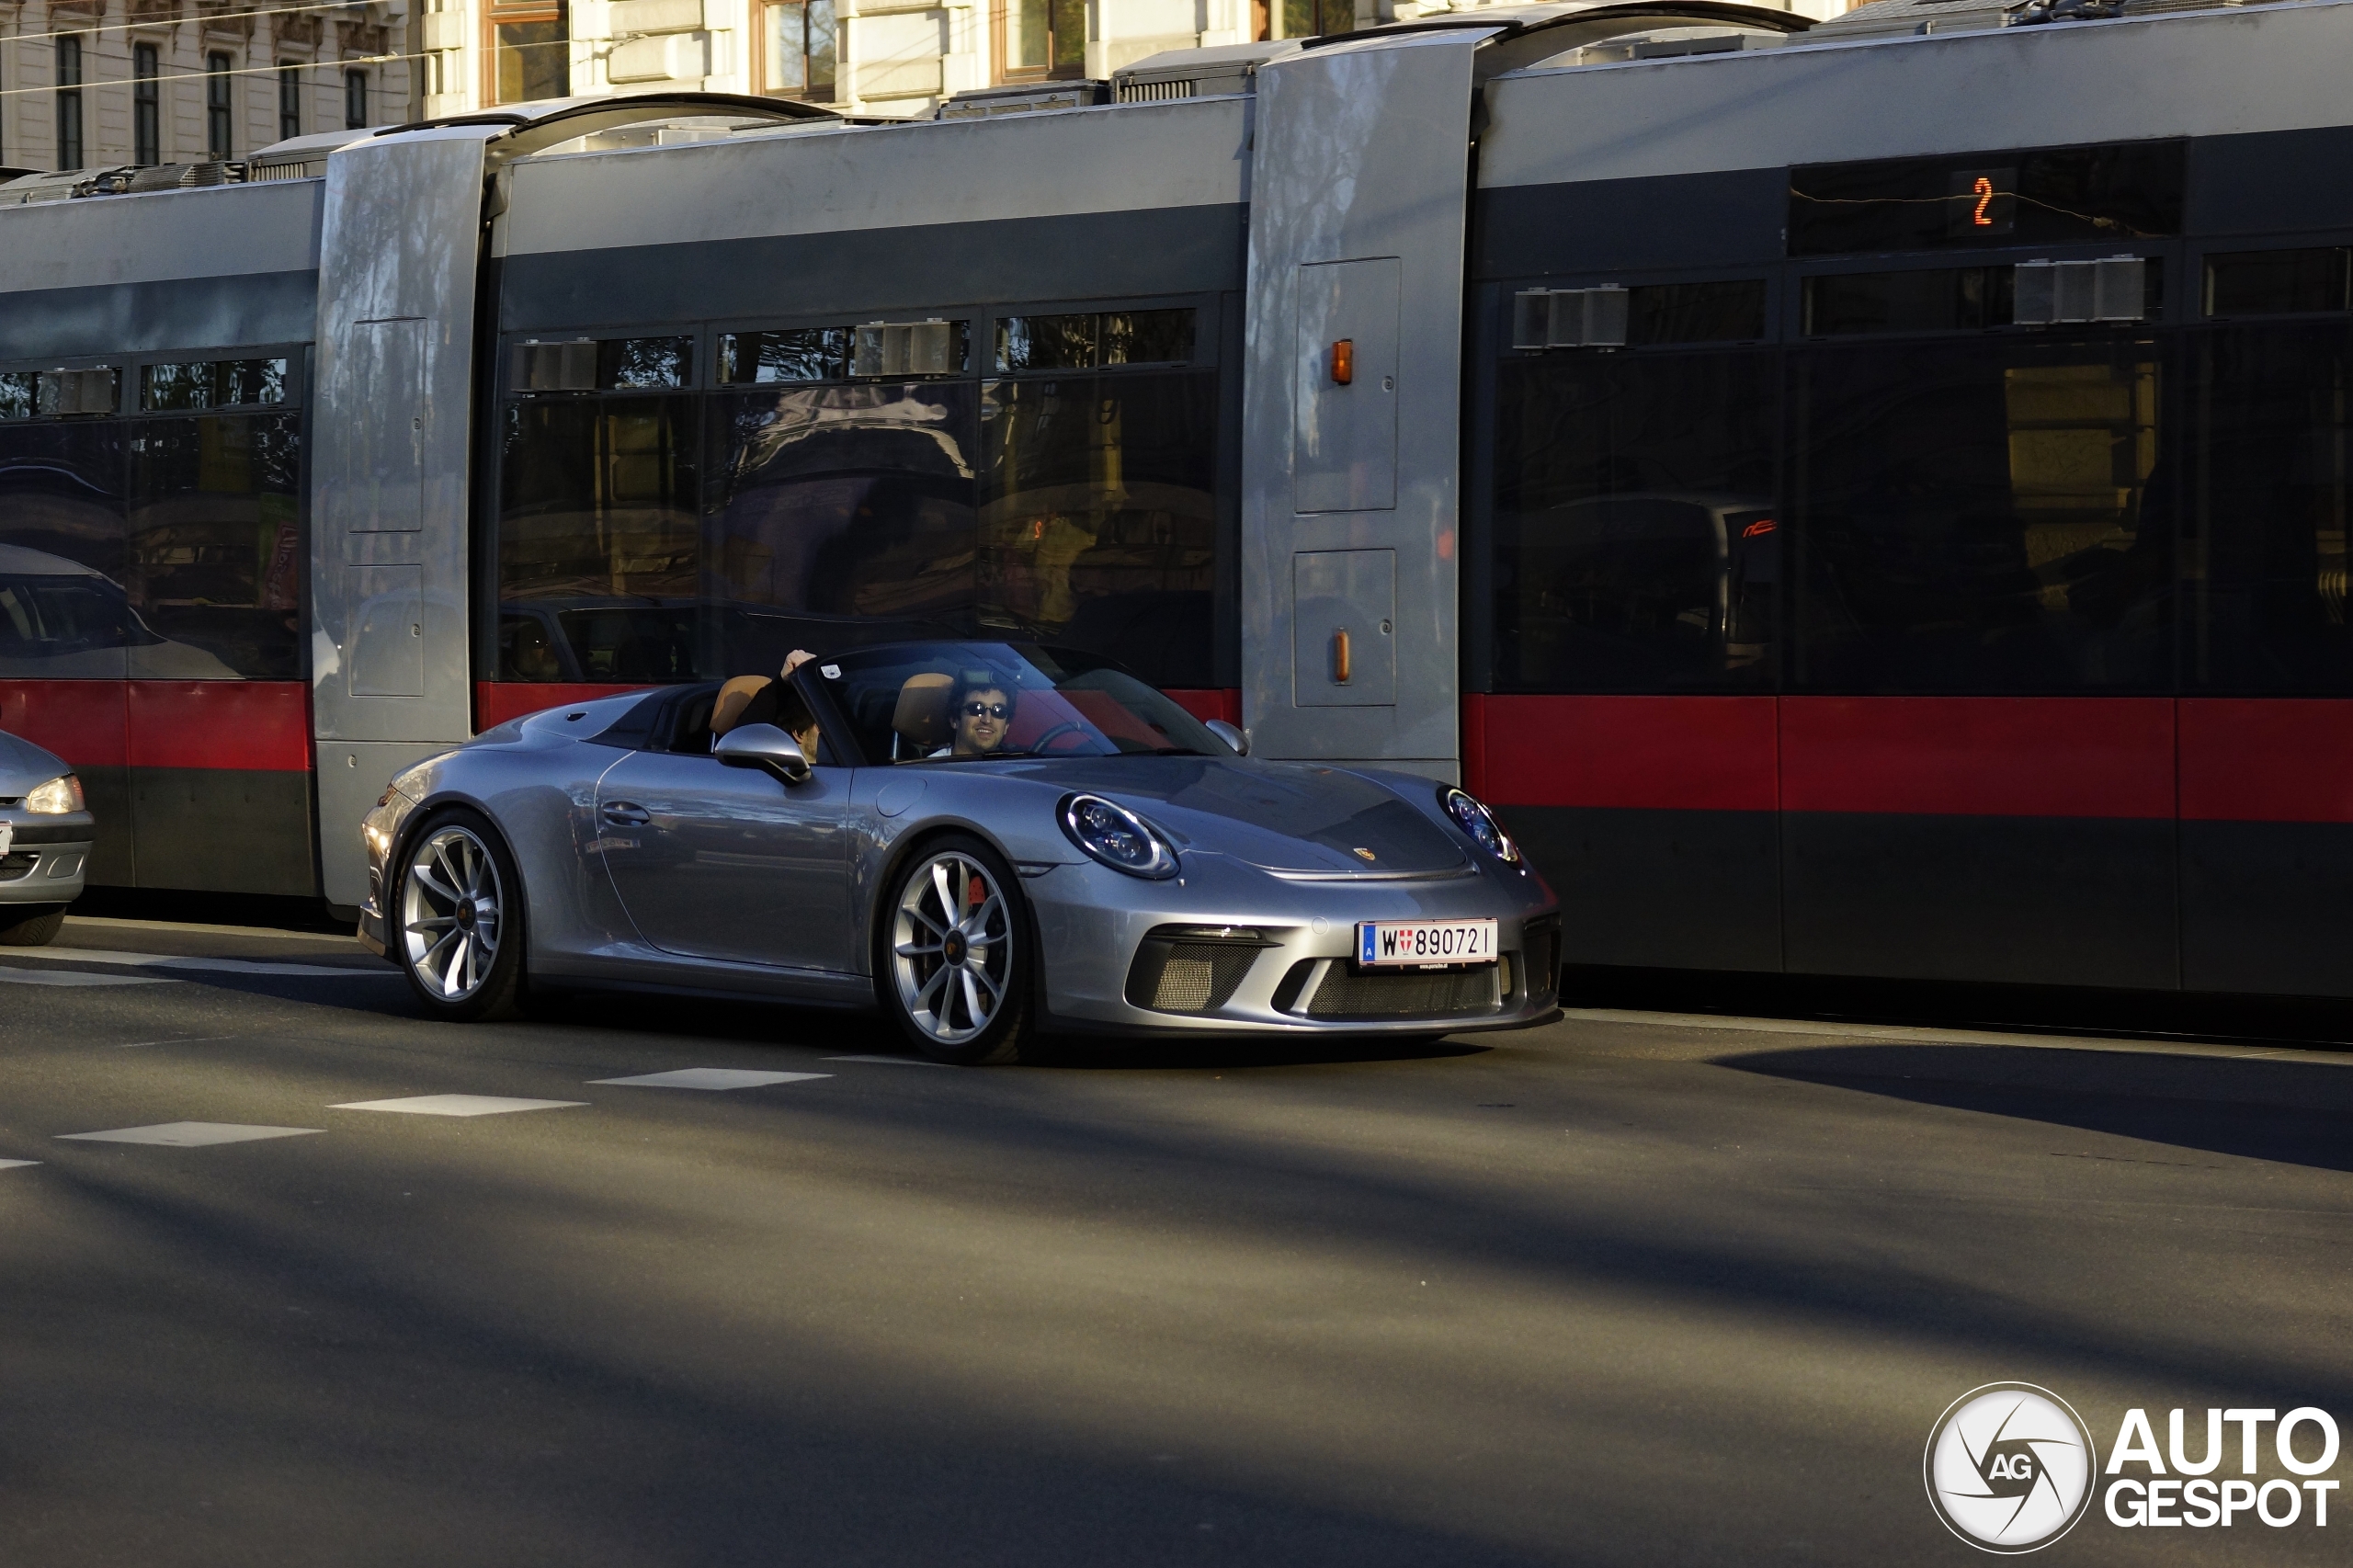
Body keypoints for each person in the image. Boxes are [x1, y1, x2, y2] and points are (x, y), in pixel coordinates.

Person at [947, 673, 1015, 757]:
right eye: (976, 708)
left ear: (1006, 726)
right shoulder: (932, 764)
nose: (987, 720)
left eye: (999, 710)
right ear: (954, 720)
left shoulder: (1021, 763)